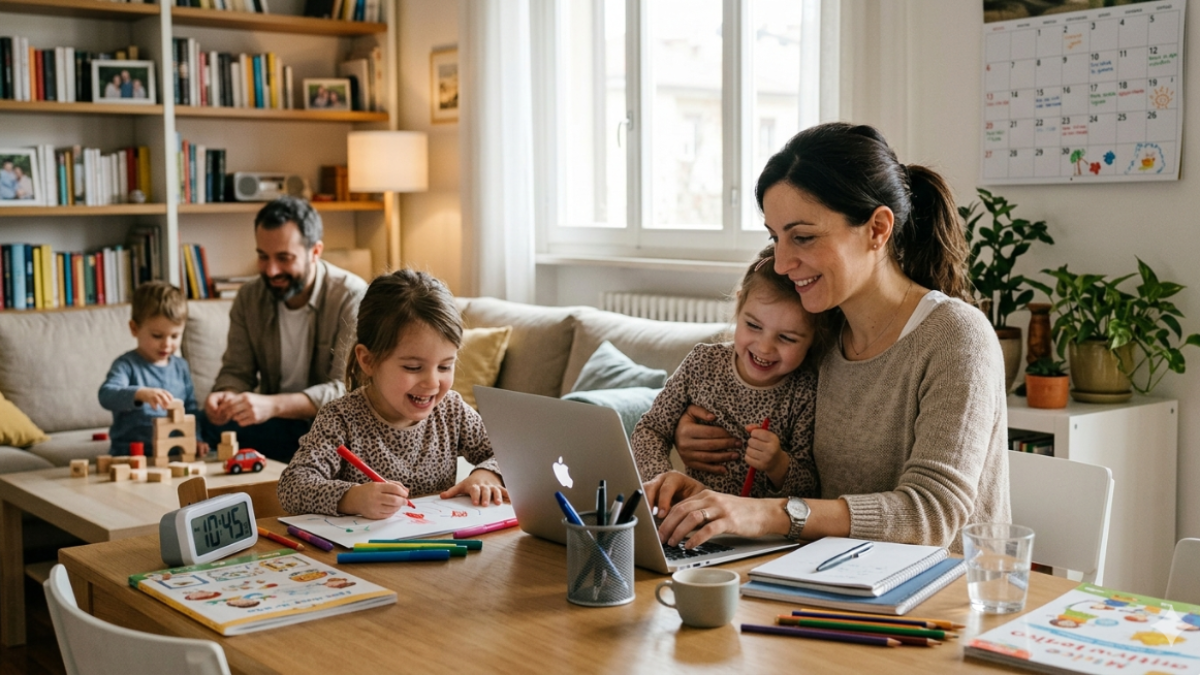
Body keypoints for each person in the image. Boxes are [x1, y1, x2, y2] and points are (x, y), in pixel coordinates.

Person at [647, 122, 1010, 553]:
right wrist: (694, 440)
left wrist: (764, 514)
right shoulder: (822, 335)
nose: (781, 263)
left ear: (877, 229)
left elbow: (929, 517)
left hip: (941, 597)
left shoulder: (955, 337)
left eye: (802, 237)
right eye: (774, 237)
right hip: (825, 578)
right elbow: (773, 429)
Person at [277, 269, 507, 517]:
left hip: (442, 547)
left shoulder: (451, 410)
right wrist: (351, 498)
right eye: (413, 367)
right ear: (368, 360)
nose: (432, 382)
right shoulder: (341, 419)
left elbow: (507, 453)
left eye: (445, 366)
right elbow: (292, 487)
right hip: (367, 550)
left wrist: (487, 474)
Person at [632, 244, 829, 499]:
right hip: (690, 519)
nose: (765, 347)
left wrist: (778, 465)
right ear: (739, 307)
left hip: (758, 533)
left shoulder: (804, 390)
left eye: (787, 338)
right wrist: (662, 482)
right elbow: (650, 429)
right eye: (753, 325)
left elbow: (808, 491)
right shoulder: (702, 362)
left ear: (812, 338)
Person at [204, 196, 368, 462]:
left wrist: (273, 405)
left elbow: (348, 390)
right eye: (262, 257)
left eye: (284, 258)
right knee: (203, 423)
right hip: (276, 427)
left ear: (315, 251)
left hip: (332, 429)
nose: (271, 270)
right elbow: (236, 371)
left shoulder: (352, 296)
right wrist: (225, 396)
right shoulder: (249, 297)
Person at [98, 282, 210, 457]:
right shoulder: (126, 365)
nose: (167, 344)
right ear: (134, 329)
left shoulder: (181, 367)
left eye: (174, 336)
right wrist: (140, 394)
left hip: (174, 452)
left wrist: (195, 438)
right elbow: (106, 395)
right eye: (157, 336)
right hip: (132, 453)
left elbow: (190, 410)